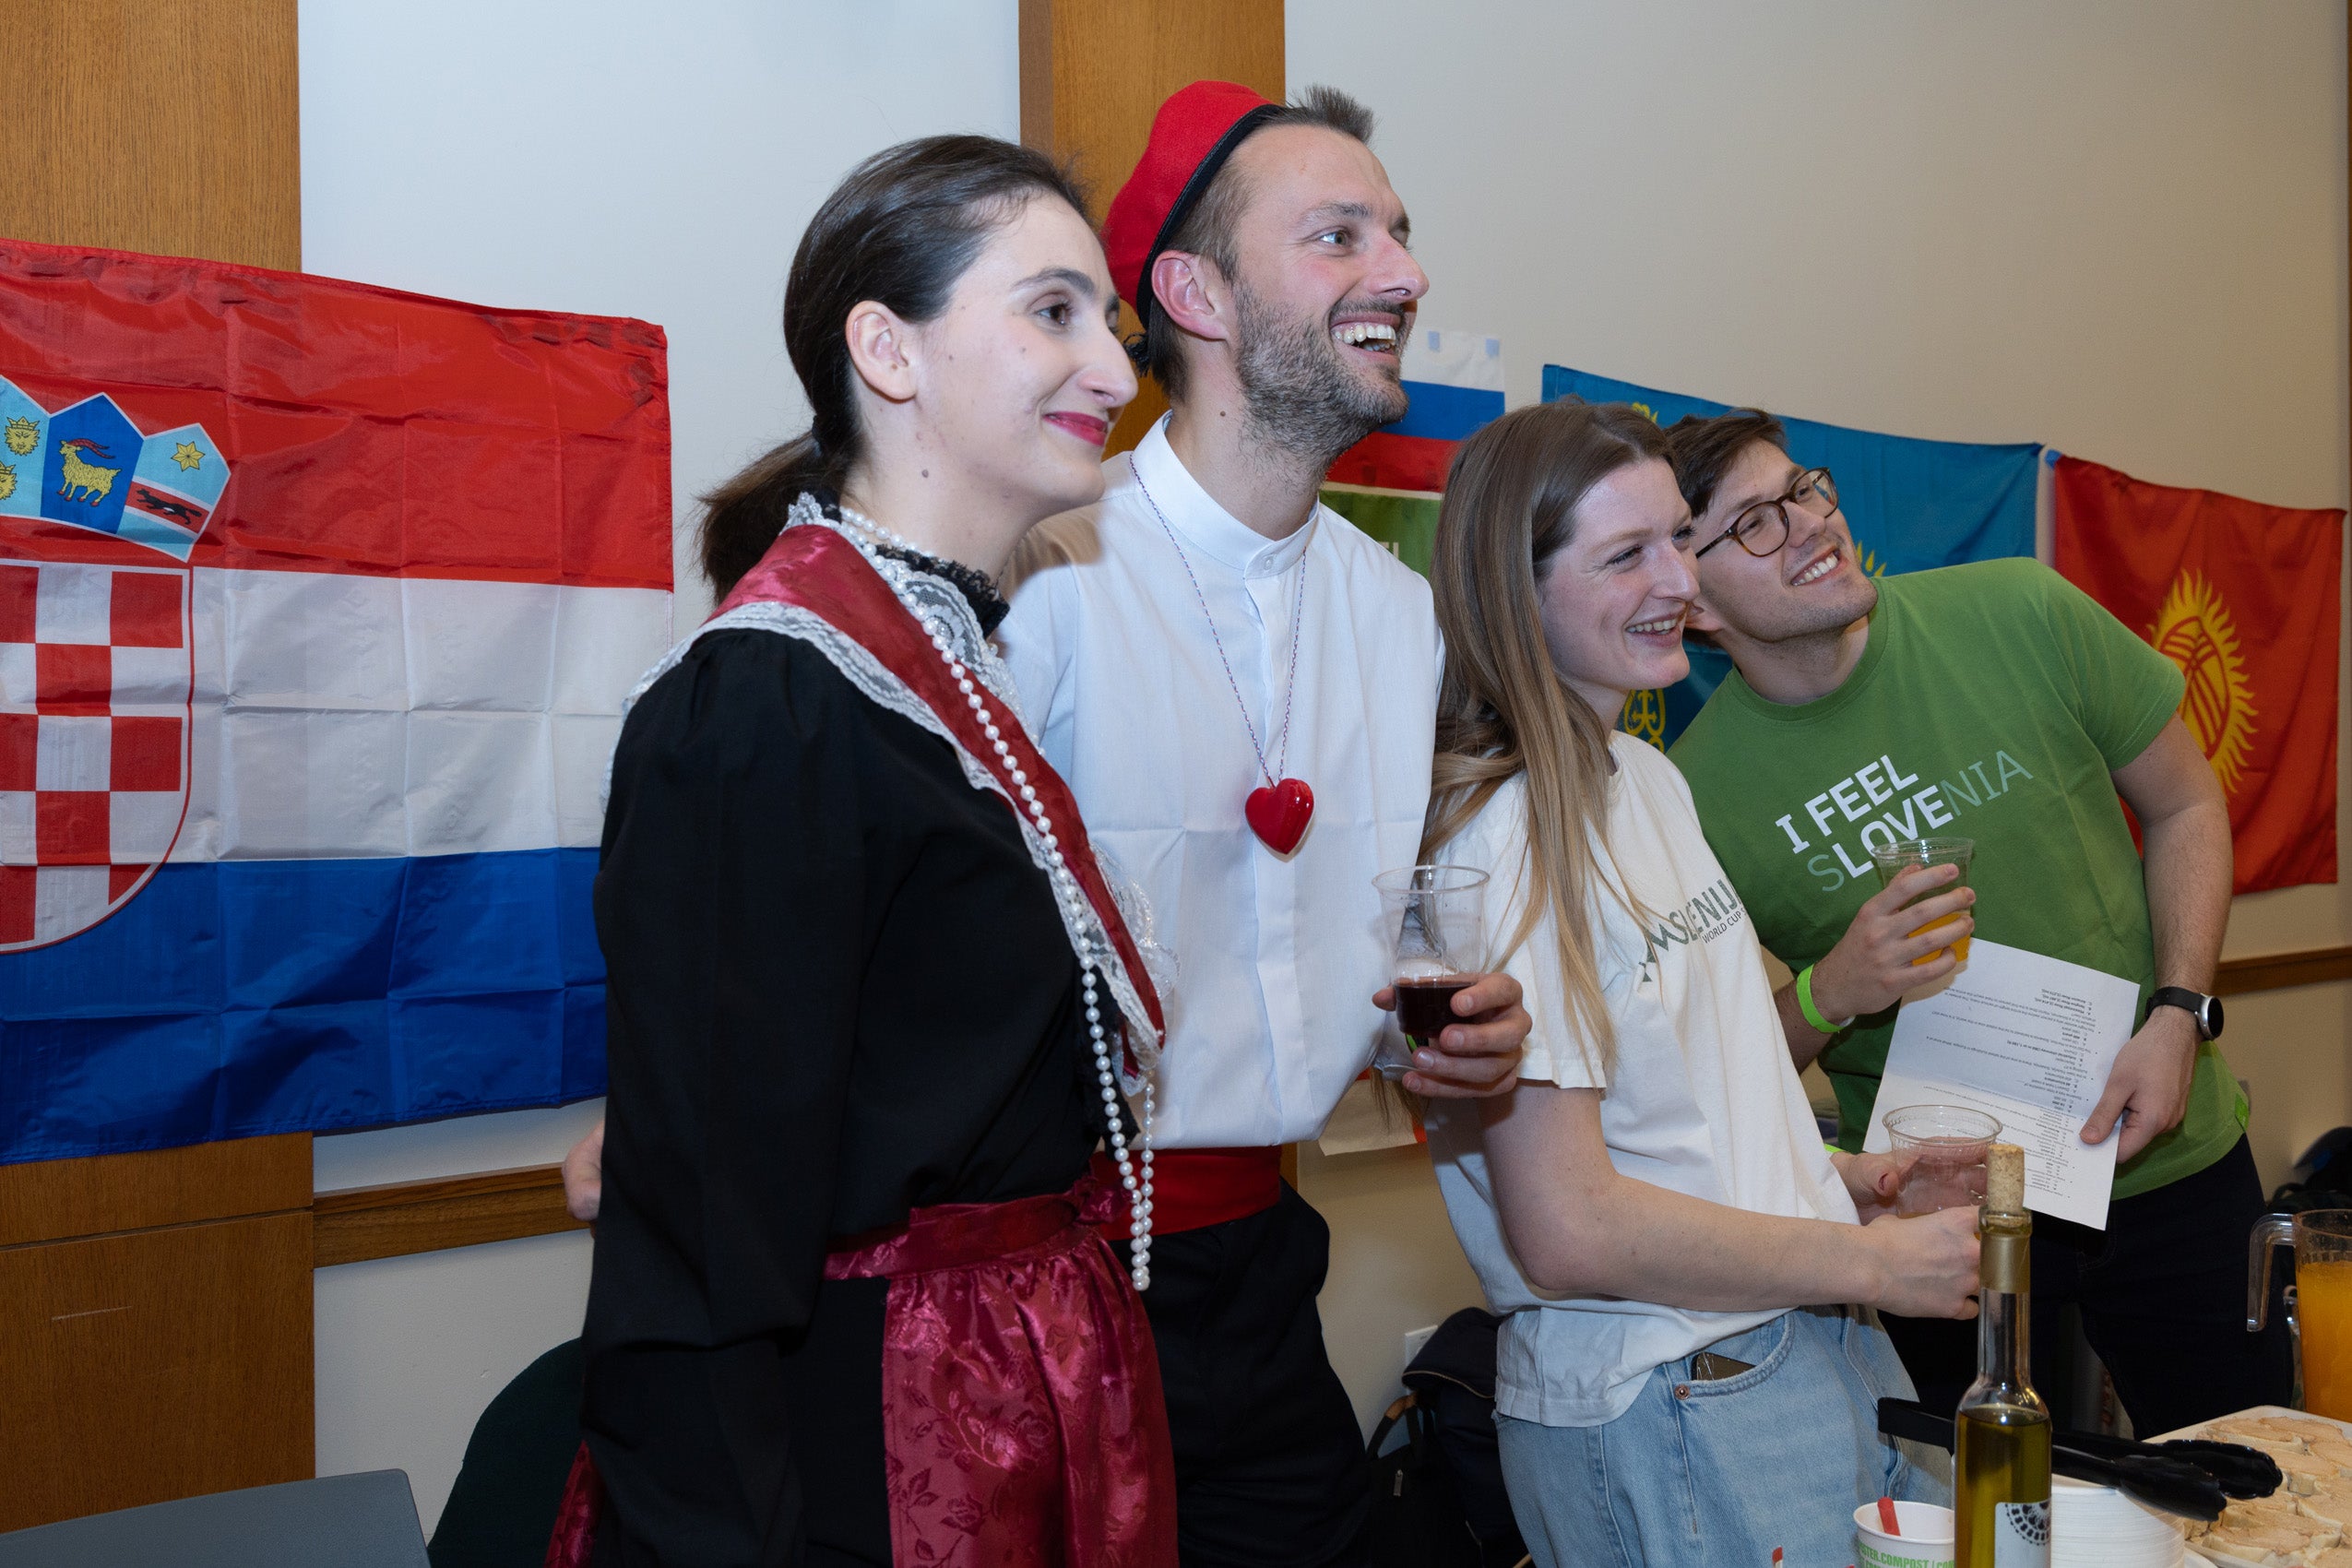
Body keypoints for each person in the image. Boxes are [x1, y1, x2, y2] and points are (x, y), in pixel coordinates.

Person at [567, 135, 1176, 1568]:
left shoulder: (945, 673)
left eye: (1113, 323)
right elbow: (703, 1261)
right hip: (882, 1440)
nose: (1112, 369)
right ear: (885, 351)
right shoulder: (764, 705)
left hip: (1007, 1392)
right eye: (1053, 312)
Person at [996, 82, 1531, 1565]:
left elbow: (1371, 923)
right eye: (1338, 235)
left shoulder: (1399, 616)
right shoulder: (1036, 576)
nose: (1405, 274)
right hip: (1039, 1281)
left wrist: (1444, 1018)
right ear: (1194, 293)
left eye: (1402, 236)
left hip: (1254, 1277)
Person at [1415, 398, 1980, 1568]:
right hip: (1671, 1394)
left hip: (1802, 1342)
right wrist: (1869, 1260)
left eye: (1679, 537)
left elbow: (1673, 1129)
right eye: (1626, 555)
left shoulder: (1644, 777)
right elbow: (1568, 1226)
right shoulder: (1501, 838)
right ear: (1515, 592)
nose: (1679, 578)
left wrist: (1847, 1182)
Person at [1663, 407, 2285, 1436]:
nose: (1813, 522)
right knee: (1976, 1524)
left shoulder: (2020, 608)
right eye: (1756, 524)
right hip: (1933, 1219)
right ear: (1690, 604)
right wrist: (1832, 987)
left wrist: (2179, 1013)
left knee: (2245, 1497)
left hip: (2164, 1159)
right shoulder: (1689, 798)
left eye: (1804, 489)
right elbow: (1705, 1070)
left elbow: (2188, 803)